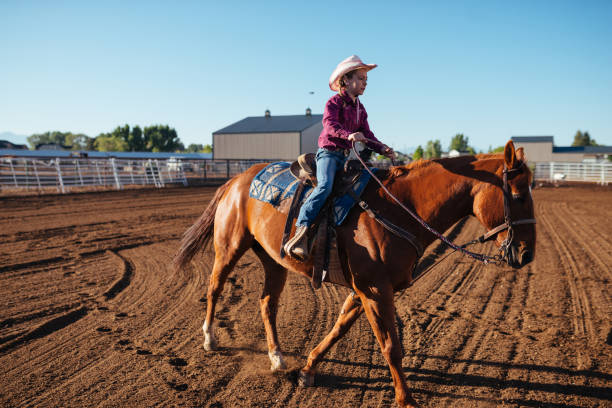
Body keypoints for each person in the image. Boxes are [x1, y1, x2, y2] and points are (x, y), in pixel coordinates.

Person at [284, 55, 395, 260]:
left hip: (344, 157)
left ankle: (339, 229)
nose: (365, 83)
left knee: (367, 184)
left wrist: (383, 148)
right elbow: (330, 126)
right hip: (328, 153)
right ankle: (301, 230)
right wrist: (348, 135)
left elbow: (367, 135)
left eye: (366, 80)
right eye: (361, 78)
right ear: (345, 80)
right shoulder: (333, 103)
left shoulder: (361, 109)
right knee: (325, 186)